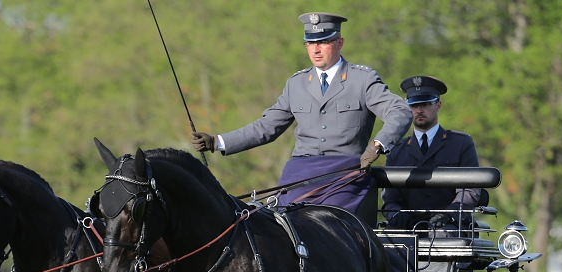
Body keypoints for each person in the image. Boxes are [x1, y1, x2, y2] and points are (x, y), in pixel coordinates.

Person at [191, 12, 412, 214]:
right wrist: (217, 141)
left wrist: (378, 145)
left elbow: (400, 111)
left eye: (323, 42)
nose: (315, 49)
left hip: (345, 172)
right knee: (273, 224)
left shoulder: (362, 79)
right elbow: (267, 127)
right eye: (310, 43)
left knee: (327, 227)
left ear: (339, 43)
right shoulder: (296, 83)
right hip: (300, 171)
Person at [381, 75, 482, 230]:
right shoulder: (397, 150)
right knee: (387, 244)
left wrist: (448, 214)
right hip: (408, 227)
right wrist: (396, 214)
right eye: (414, 106)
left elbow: (470, 191)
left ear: (438, 105)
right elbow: (390, 198)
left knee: (443, 239)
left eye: (425, 104)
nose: (419, 110)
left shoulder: (461, 143)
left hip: (450, 225)